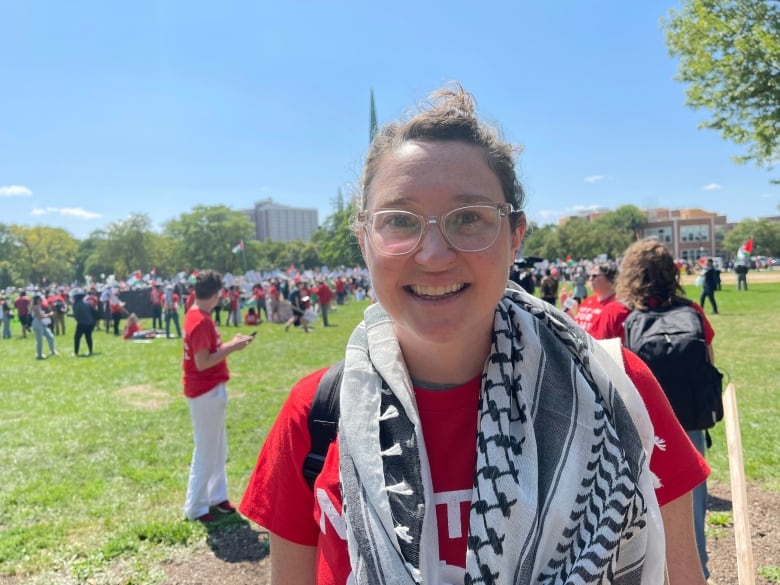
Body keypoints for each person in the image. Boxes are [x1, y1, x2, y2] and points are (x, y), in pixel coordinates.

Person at [239, 85, 706, 584]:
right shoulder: (315, 415)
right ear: (365, 241)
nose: (434, 255)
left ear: (515, 236)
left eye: (468, 219)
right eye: (399, 220)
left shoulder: (617, 389)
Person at [598, 239, 716, 581]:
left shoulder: (618, 315)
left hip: (634, 429)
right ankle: (698, 571)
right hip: (689, 421)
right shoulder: (692, 312)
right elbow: (709, 362)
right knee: (690, 513)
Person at [182, 269, 254, 523]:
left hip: (207, 389)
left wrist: (229, 343)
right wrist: (233, 347)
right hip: (205, 389)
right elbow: (203, 362)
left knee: (217, 447)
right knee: (206, 449)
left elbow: (208, 353)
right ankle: (196, 507)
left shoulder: (197, 313)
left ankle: (215, 496)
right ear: (216, 295)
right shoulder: (200, 319)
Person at [569, 262, 619, 336]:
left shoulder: (617, 306)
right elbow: (577, 327)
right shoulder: (587, 301)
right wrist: (568, 312)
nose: (590, 279)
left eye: (595, 276)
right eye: (589, 276)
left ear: (610, 279)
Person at [31, 293, 57, 359]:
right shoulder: (35, 307)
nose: (41, 300)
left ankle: (53, 351)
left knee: (50, 336)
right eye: (40, 299)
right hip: (37, 324)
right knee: (39, 340)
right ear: (36, 300)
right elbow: (39, 317)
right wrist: (49, 314)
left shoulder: (38, 306)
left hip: (42, 323)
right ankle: (39, 354)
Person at [72, 290, 97, 356]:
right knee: (88, 337)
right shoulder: (87, 304)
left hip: (82, 323)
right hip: (90, 323)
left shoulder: (76, 305)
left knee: (77, 338)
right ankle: (90, 351)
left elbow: (76, 315)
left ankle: (76, 353)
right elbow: (94, 312)